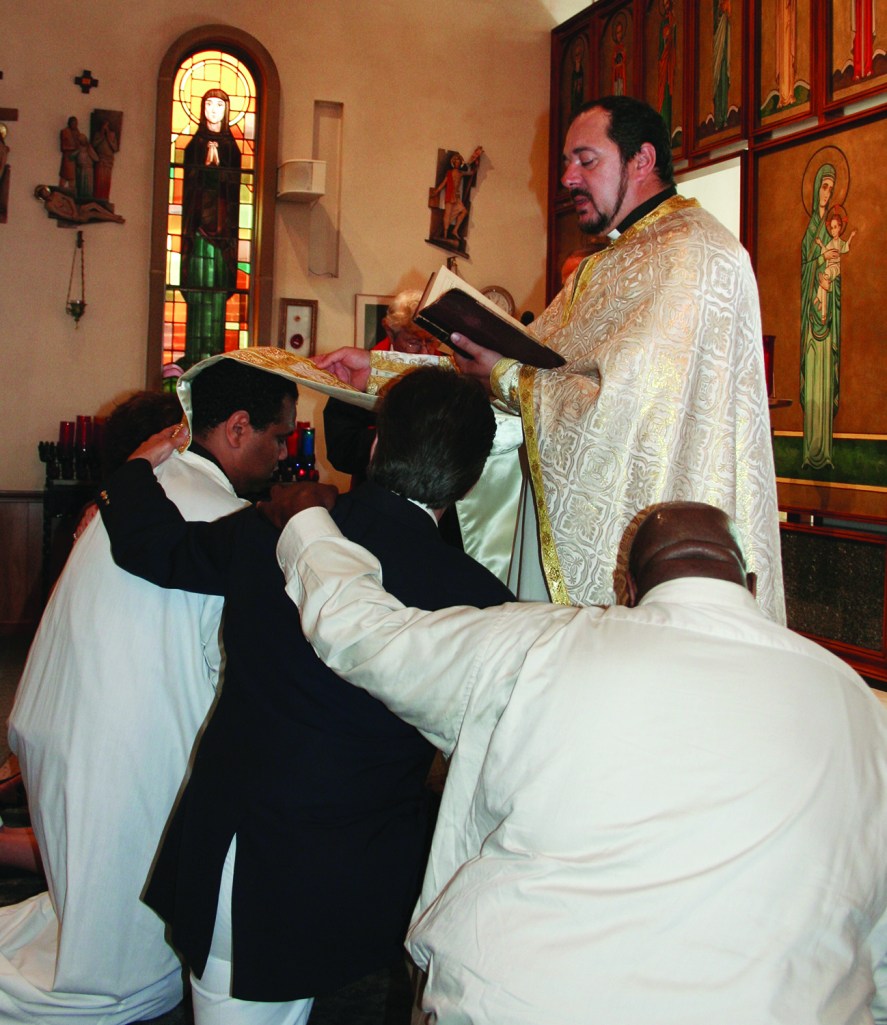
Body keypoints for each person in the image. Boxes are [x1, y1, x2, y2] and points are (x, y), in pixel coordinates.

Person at [270, 494, 887, 1025]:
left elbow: (367, 636)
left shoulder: (539, 643)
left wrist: (308, 523)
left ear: (629, 590)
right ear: (751, 587)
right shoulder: (861, 707)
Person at [98, 366, 513, 1025]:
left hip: (235, 841)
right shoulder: (480, 599)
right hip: (349, 871)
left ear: (374, 446)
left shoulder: (279, 523)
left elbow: (155, 547)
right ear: (468, 480)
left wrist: (129, 472)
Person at [318, 96, 785, 623]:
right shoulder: (609, 262)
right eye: (567, 162)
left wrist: (506, 375)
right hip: (559, 508)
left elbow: (621, 411)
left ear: (642, 160)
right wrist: (380, 372)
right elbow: (522, 364)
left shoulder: (694, 254)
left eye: (586, 160)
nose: (567, 178)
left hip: (660, 533)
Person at [0, 349, 297, 1025]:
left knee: (90, 913)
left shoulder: (139, 490)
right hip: (123, 753)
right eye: (279, 435)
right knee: (122, 973)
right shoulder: (227, 522)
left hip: (57, 724)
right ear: (238, 427)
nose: (284, 453)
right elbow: (237, 675)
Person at [181, 88, 242, 367]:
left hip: (222, 233)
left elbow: (234, 191)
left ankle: (215, 356)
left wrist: (220, 171)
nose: (214, 110)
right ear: (202, 108)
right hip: (197, 231)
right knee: (198, 288)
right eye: (209, 104)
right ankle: (194, 355)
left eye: (219, 105)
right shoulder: (194, 146)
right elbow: (189, 185)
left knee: (216, 290)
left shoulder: (231, 149)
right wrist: (204, 169)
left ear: (226, 111)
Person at [801, 162, 845, 470]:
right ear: (817, 187)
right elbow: (805, 268)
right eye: (824, 186)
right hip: (811, 318)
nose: (827, 193)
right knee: (813, 374)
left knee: (826, 380)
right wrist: (819, 261)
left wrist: (830, 278)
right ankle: (809, 452)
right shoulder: (811, 231)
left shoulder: (832, 228)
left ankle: (825, 453)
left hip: (828, 321)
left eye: (831, 187)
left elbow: (837, 270)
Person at [429, 147, 483, 242]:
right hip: (450, 196)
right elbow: (443, 183)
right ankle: (445, 235)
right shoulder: (449, 173)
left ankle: (455, 230)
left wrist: (476, 163)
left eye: (459, 162)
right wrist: (437, 191)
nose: (457, 163)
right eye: (456, 162)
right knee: (448, 214)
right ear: (453, 163)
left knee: (464, 212)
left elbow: (471, 173)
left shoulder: (461, 173)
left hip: (456, 197)